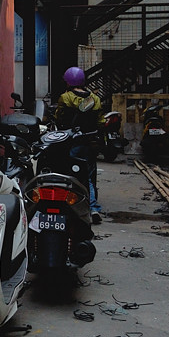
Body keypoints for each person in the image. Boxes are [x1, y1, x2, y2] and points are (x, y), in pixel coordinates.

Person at [54, 66, 104, 224]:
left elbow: (59, 118)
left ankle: (71, 205)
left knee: (69, 173)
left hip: (71, 141)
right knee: (88, 176)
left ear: (68, 82)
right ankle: (93, 208)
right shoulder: (95, 99)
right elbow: (100, 121)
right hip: (90, 141)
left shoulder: (65, 97)